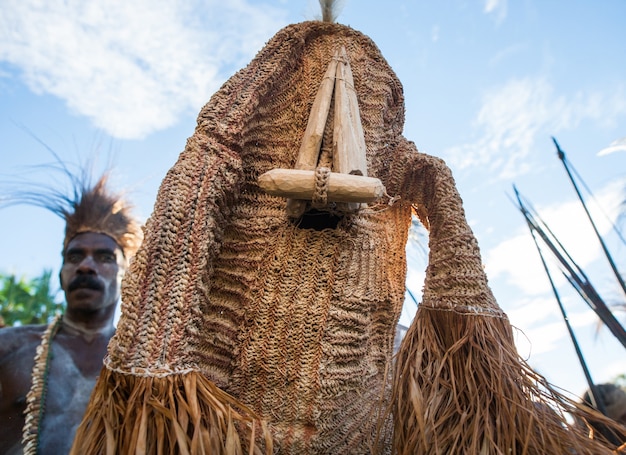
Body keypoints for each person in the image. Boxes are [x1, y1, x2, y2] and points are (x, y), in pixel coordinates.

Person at [0, 174, 142, 454]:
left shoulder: (143, 362)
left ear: (126, 276)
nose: (86, 266)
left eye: (104, 258)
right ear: (61, 274)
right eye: (75, 257)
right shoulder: (8, 346)